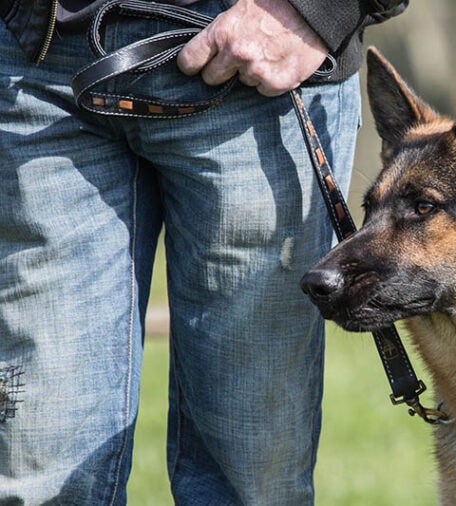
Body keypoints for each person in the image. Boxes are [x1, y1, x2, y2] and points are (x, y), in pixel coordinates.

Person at [0, 0, 406, 503]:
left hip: (258, 67)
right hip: (38, 64)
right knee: (40, 478)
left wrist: (317, 11)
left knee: (250, 487)